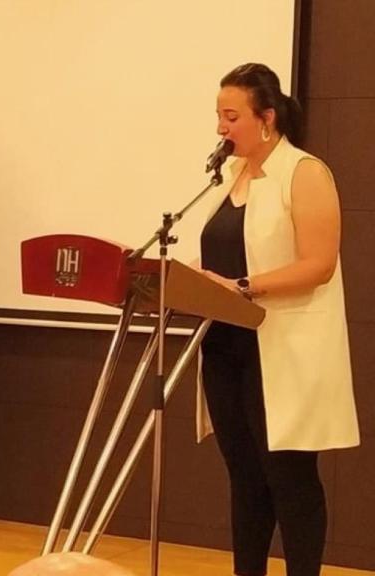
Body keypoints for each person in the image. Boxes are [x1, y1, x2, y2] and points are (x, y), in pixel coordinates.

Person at [198, 62, 359, 576]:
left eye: (231, 116)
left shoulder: (304, 172)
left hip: (281, 352)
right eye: (218, 117)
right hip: (226, 346)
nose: (221, 128)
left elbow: (319, 263)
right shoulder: (228, 178)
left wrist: (243, 287)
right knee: (244, 478)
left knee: (288, 479)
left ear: (266, 117)